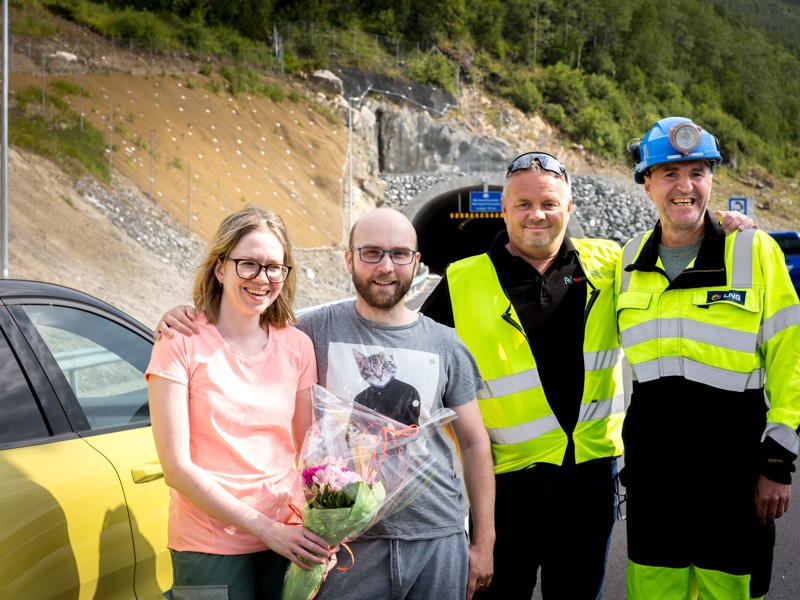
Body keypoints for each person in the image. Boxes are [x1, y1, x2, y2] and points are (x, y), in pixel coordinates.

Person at [419, 150, 754, 600]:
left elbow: (676, 266)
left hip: (590, 482)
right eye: (523, 204)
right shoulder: (461, 281)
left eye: (550, 204)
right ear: (504, 210)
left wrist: (724, 232)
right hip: (505, 485)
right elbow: (413, 360)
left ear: (570, 208)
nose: (537, 215)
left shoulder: (611, 264)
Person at [155, 207, 496, 600]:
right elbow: (243, 317)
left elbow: (474, 443)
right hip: (348, 542)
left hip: (435, 536)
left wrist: (483, 544)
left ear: (416, 263)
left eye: (399, 254)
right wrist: (181, 314)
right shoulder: (312, 331)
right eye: (371, 253)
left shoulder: (444, 343)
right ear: (349, 259)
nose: (386, 266)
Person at [617, 117, 800, 599]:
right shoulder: (626, 262)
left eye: (697, 172)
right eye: (670, 174)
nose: (685, 186)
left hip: (735, 479)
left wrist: (778, 460)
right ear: (647, 183)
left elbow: (790, 356)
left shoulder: (754, 250)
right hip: (656, 482)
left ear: (712, 180)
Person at [146, 206, 336, 600]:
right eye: (248, 264)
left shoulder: (297, 345)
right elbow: (177, 469)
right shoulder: (178, 341)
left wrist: (325, 525)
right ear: (220, 268)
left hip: (287, 534)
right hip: (209, 542)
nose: (262, 278)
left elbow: (308, 451)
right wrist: (265, 529)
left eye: (274, 267)